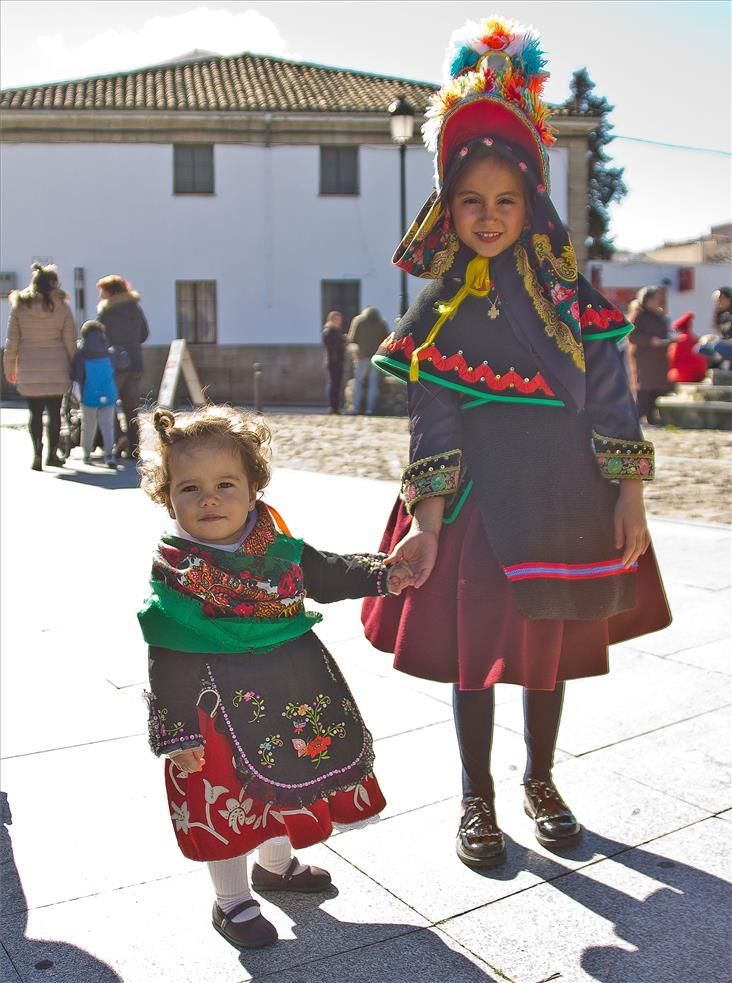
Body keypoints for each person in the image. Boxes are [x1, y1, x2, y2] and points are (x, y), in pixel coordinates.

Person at [361, 16, 671, 871]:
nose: (489, 217)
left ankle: (540, 779)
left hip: (567, 501)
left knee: (545, 652)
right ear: (446, 206)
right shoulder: (440, 312)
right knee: (474, 655)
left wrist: (631, 496)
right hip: (473, 509)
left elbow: (611, 396)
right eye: (471, 202)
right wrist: (425, 519)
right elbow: (434, 418)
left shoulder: (575, 300)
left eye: (505, 200)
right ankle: (476, 795)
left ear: (529, 199)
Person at [137, 404, 409, 950]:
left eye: (224, 484)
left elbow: (329, 572)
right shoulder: (177, 572)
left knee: (285, 784)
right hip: (212, 708)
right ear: (168, 498)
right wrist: (176, 732)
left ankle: (277, 866)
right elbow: (166, 650)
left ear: (255, 487)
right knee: (228, 799)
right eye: (189, 489)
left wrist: (384, 572)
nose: (208, 498)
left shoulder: (280, 551)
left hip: (290, 690)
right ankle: (232, 899)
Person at [3, 263, 76, 470]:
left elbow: (12, 341)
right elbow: (70, 340)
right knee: (55, 413)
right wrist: (76, 364)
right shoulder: (62, 305)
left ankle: (37, 452)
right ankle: (52, 454)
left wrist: (10, 369)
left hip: (29, 367)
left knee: (34, 413)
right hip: (57, 367)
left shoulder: (20, 305)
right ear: (53, 283)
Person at [96, 275, 149, 458]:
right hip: (135, 363)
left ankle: (119, 437)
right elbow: (144, 334)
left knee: (107, 404)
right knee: (132, 407)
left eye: (102, 291)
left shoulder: (107, 311)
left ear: (110, 291)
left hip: (113, 365)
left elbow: (99, 338)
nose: (101, 295)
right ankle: (134, 448)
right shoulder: (135, 308)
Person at [70, 320, 128, 468]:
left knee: (88, 426)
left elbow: (75, 375)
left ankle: (87, 454)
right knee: (108, 426)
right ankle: (109, 455)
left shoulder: (81, 355)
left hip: (88, 394)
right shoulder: (110, 352)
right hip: (108, 393)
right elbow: (121, 365)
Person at [626, 287, 672, 424]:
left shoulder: (659, 316)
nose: (655, 302)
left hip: (659, 358)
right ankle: (638, 416)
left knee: (658, 388)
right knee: (645, 388)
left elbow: (664, 332)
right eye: (652, 299)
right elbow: (633, 336)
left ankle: (653, 417)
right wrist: (650, 341)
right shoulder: (638, 316)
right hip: (644, 357)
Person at [347, 307, 388, 415]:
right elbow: (387, 339)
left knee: (359, 382)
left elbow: (352, 339)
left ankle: (356, 407)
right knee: (373, 383)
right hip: (376, 356)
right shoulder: (381, 322)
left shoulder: (359, 321)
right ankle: (370, 409)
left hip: (362, 356)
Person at [666, 312, 707, 384]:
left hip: (685, 375)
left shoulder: (681, 339)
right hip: (699, 375)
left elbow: (673, 359)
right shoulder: (694, 339)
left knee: (670, 375)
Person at [321, 310, 346, 414]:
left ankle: (336, 406)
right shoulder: (328, 331)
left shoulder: (336, 331)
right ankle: (332, 406)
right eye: (337, 319)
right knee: (333, 384)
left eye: (340, 320)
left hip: (338, 361)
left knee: (337, 384)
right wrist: (342, 341)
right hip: (332, 361)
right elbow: (331, 345)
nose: (339, 322)